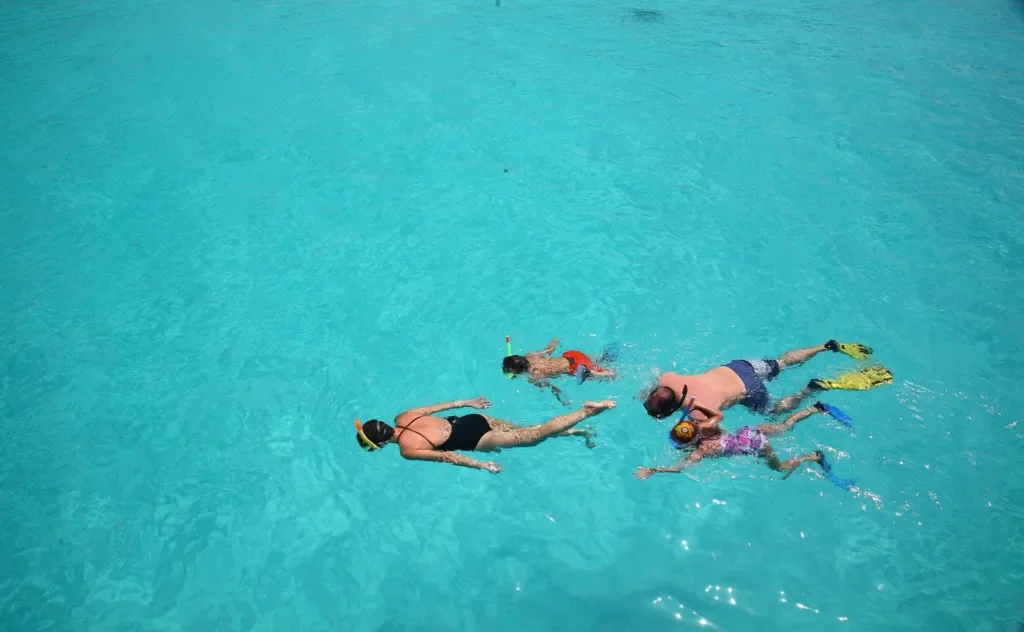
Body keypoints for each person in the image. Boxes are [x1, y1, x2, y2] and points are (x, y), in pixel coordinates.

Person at [642, 340, 890, 420]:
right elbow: (652, 389)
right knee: (782, 363)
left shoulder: (696, 413)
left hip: (749, 390)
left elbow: (714, 428)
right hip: (738, 367)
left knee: (775, 411)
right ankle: (826, 346)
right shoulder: (667, 378)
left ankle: (809, 391)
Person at [354, 397, 616, 473]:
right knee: (524, 430)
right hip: (472, 419)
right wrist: (469, 402)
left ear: (380, 443)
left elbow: (448, 457)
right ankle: (576, 430)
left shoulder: (407, 450)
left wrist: (482, 465)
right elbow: (438, 408)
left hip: (477, 440)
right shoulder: (403, 416)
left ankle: (586, 412)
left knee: (534, 435)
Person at [634, 402, 836, 480]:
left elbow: (680, 468)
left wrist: (655, 469)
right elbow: (718, 414)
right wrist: (700, 408)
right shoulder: (705, 426)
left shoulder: (702, 451)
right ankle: (815, 408)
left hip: (757, 445)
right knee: (785, 426)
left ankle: (813, 456)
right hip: (748, 432)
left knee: (780, 468)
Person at [503, 337, 618, 405]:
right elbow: (548, 350)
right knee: (597, 361)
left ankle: (599, 373)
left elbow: (551, 386)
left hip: (575, 367)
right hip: (573, 355)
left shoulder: (534, 374)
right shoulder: (530, 355)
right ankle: (606, 357)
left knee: (610, 376)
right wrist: (554, 342)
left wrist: (559, 396)